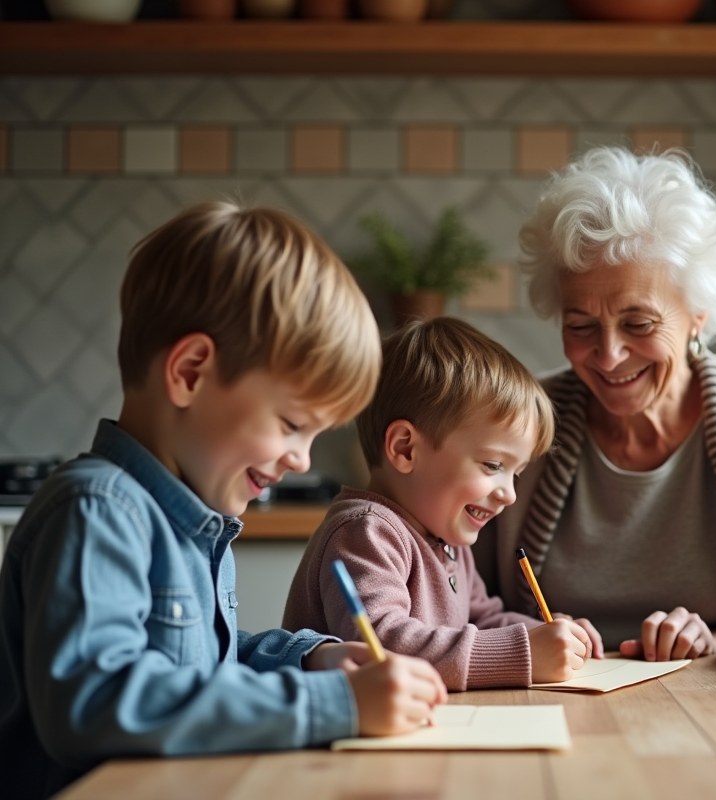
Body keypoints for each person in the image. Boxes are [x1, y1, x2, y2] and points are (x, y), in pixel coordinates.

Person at [0, 202, 448, 800]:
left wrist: (312, 659)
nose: (302, 460)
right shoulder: (97, 511)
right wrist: (330, 704)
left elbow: (201, 669)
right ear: (189, 372)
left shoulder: (194, 522)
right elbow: (98, 700)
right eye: (292, 423)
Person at [478, 146, 716, 662]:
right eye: (580, 326)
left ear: (698, 312)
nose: (608, 355)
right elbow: (459, 601)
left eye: (638, 323)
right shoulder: (520, 419)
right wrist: (522, 636)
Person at [284, 318, 602, 690]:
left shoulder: (443, 537)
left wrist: (548, 634)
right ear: (405, 448)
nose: (509, 494)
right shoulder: (365, 532)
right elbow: (381, 644)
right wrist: (524, 652)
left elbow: (482, 618)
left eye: (515, 474)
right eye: (493, 466)